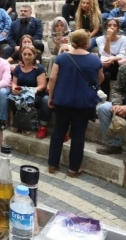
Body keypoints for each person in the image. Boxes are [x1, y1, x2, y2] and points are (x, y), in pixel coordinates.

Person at [47, 29, 104, 177]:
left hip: (62, 100)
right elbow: (100, 79)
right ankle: (74, 168)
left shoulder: (62, 58)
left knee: (59, 131)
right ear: (87, 42)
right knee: (78, 134)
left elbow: (52, 78)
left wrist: (51, 97)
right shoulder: (95, 59)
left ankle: (53, 164)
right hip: (84, 102)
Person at [10, 45, 49, 137]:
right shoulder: (18, 68)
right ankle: (17, 123)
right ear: (21, 55)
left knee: (27, 100)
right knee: (12, 99)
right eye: (25, 54)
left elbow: (42, 85)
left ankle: (25, 125)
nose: (27, 56)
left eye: (29, 54)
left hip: (35, 93)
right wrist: (14, 89)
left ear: (34, 55)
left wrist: (31, 91)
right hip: (21, 92)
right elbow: (14, 83)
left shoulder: (38, 68)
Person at [97, 18, 126, 97]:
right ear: (106, 28)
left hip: (118, 64)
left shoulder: (124, 39)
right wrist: (108, 38)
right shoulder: (100, 39)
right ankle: (105, 97)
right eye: (109, 25)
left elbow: (122, 55)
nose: (112, 27)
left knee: (105, 70)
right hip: (105, 65)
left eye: (114, 25)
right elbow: (105, 54)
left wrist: (112, 59)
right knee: (106, 75)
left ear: (118, 28)